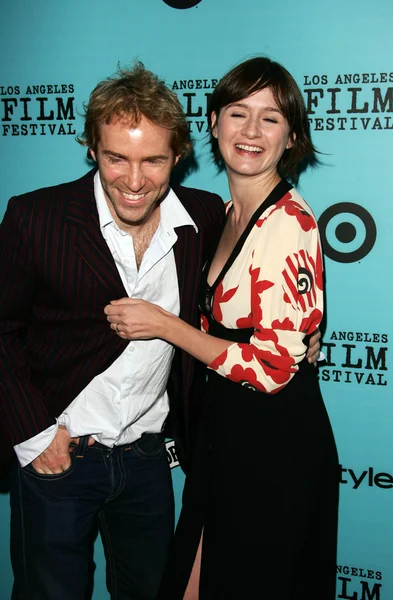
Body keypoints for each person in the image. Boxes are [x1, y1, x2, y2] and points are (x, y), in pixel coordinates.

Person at [104, 57, 339, 599]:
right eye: (238, 113)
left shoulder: (289, 223)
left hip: (275, 446)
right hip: (226, 437)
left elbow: (275, 369)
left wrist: (164, 325)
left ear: (292, 136)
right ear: (213, 123)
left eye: (271, 118)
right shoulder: (226, 211)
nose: (252, 131)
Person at [0, 61, 226, 600]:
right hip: (59, 453)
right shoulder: (37, 218)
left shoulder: (204, 216)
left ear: (179, 155)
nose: (133, 180)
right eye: (115, 158)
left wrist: (295, 336)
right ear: (91, 149)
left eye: (153, 160)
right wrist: (35, 437)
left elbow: (237, 298)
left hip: (148, 461)